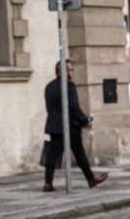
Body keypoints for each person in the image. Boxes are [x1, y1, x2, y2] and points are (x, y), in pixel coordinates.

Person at [43, 61, 108, 192]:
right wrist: (85, 120)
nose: (72, 72)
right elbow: (74, 107)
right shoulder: (69, 85)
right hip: (69, 127)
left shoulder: (49, 87)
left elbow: (51, 108)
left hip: (54, 125)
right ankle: (91, 179)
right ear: (65, 71)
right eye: (71, 70)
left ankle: (47, 183)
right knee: (79, 153)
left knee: (52, 154)